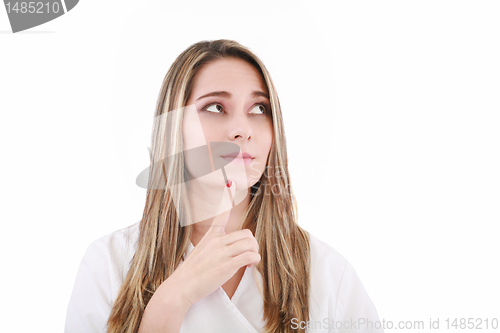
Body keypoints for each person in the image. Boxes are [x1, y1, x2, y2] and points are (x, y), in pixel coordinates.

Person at [65, 39, 383, 333]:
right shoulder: (107, 265)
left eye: (259, 108)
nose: (242, 130)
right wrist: (169, 303)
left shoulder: (328, 275)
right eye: (215, 107)